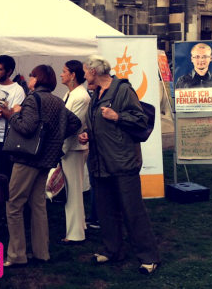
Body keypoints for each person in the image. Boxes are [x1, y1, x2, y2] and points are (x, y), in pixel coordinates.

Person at [79, 55, 161, 274]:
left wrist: (117, 116)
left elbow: (141, 119)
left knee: (133, 211)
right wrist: (87, 134)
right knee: (105, 211)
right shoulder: (96, 93)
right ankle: (113, 250)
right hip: (100, 162)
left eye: (85, 71)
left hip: (123, 162)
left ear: (94, 72)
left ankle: (149, 257)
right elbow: (97, 124)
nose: (84, 75)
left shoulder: (123, 90)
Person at [0, 65, 81, 267]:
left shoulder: (32, 99)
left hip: (27, 160)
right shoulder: (57, 101)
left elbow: (26, 128)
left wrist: (15, 114)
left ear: (37, 80)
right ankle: (41, 253)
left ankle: (17, 255)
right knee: (38, 206)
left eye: (31, 75)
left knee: (14, 205)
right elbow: (75, 122)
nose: (28, 77)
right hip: (45, 160)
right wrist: (54, 138)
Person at [57, 60, 91, 245]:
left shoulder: (80, 97)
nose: (61, 74)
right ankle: (79, 228)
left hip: (73, 149)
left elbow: (71, 127)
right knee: (73, 190)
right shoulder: (71, 94)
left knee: (73, 191)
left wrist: (60, 151)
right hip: (71, 148)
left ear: (72, 75)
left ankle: (76, 233)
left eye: (64, 71)